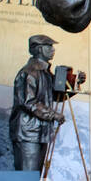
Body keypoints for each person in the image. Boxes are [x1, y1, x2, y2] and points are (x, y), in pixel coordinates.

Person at [9, 34, 65, 171]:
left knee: (35, 179)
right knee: (27, 178)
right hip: (27, 134)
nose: (53, 49)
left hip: (41, 132)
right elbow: (29, 102)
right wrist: (53, 115)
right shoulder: (28, 72)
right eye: (49, 46)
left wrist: (75, 85)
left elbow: (56, 97)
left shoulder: (45, 73)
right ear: (39, 49)